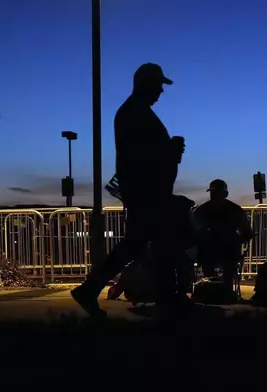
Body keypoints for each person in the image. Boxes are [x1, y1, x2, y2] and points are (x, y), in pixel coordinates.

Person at [71, 63, 188, 318]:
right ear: (145, 83)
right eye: (158, 85)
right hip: (146, 192)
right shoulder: (135, 112)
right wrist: (170, 151)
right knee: (156, 243)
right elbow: (142, 156)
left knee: (146, 244)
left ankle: (92, 290)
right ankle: (168, 299)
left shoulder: (134, 111)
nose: (161, 91)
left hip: (143, 191)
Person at [193, 179, 254, 295]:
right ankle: (223, 290)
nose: (214, 196)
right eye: (213, 194)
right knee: (223, 259)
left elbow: (247, 233)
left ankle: (212, 289)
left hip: (214, 251)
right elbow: (247, 233)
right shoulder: (234, 209)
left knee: (213, 257)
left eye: (215, 193)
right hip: (220, 251)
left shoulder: (202, 210)